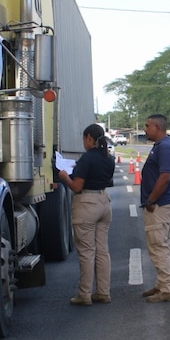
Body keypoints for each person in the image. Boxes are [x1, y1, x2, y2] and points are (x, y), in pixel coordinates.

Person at [57, 124, 116, 306]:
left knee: (86, 252)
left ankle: (84, 294)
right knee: (102, 250)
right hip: (104, 202)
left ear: (89, 138)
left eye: (84, 139)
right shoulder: (109, 158)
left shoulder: (87, 158)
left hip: (87, 204)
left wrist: (64, 175)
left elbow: (76, 187)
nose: (83, 142)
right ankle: (103, 292)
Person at [140, 114, 170, 303]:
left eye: (148, 126)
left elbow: (165, 176)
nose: (145, 129)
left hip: (160, 205)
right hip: (162, 204)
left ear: (157, 127)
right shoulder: (160, 147)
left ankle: (166, 288)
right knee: (161, 246)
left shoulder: (164, 148)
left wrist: (151, 200)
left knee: (159, 247)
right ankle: (161, 283)